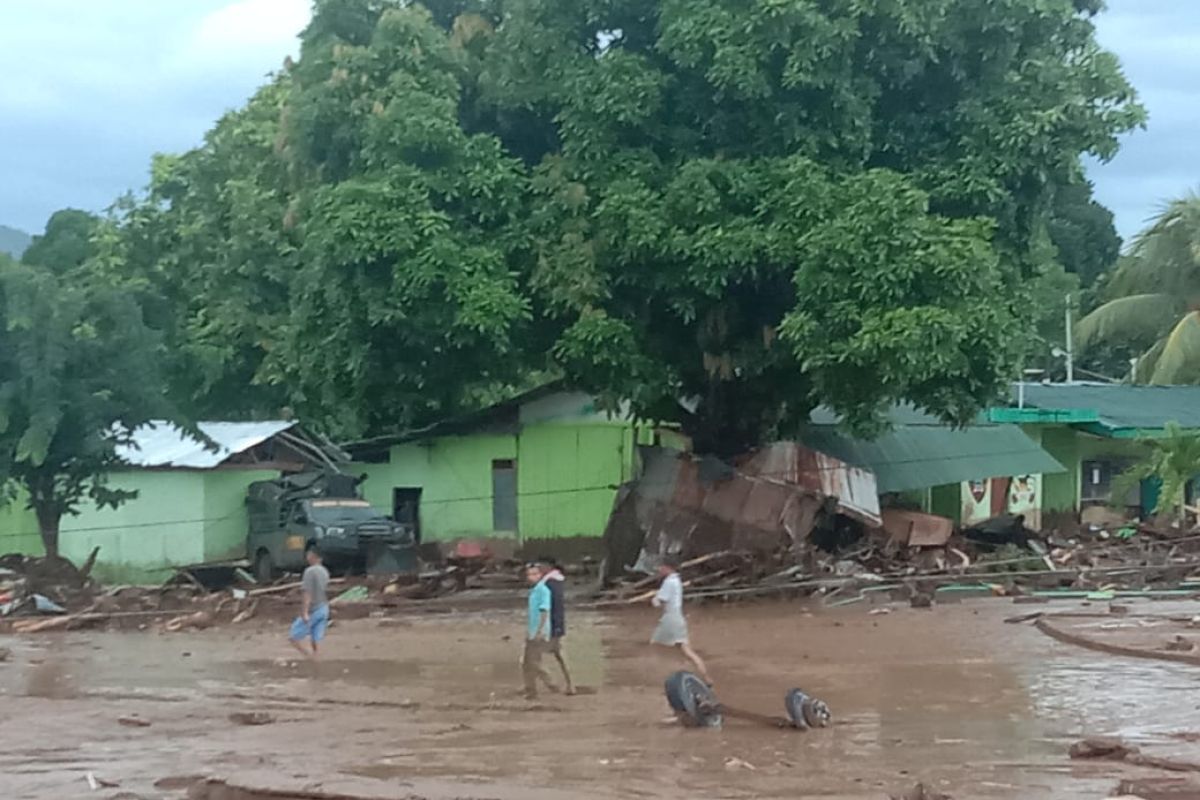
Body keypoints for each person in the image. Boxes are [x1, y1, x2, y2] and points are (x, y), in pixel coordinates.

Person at [650, 555, 711, 684]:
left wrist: (654, 600)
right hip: (678, 617)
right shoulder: (677, 581)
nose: (660, 569)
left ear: (667, 568)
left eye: (662, 567)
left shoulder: (669, 582)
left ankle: (663, 676)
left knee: (654, 646)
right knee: (686, 650)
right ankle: (704, 676)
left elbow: (660, 601)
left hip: (670, 619)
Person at [538, 557, 575, 695]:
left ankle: (551, 684)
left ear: (548, 565)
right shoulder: (557, 581)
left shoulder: (549, 583)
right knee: (561, 656)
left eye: (540, 565)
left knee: (529, 659)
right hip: (558, 623)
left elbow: (546, 606)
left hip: (549, 625)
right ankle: (570, 685)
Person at [289, 540, 330, 660]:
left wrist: (305, 612)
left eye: (308, 555)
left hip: (314, 609)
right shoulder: (325, 571)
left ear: (312, 556)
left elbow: (307, 592)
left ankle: (309, 657)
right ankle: (318, 659)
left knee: (293, 637)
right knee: (316, 638)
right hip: (324, 607)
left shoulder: (309, 571)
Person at [522, 562, 555, 699]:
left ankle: (549, 684)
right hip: (533, 630)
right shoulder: (535, 591)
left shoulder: (543, 591)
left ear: (541, 575)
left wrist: (539, 631)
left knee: (532, 662)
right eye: (529, 574)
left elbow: (544, 611)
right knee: (528, 662)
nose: (531, 577)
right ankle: (531, 689)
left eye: (535, 574)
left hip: (538, 632)